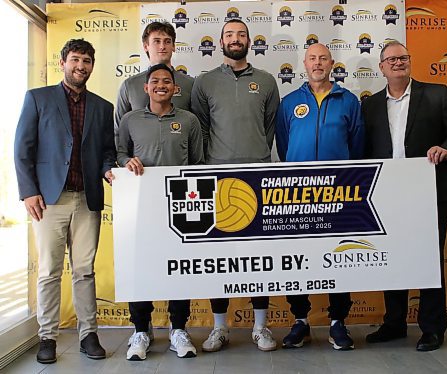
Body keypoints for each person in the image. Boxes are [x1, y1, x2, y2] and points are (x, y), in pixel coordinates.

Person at [362, 41, 447, 351]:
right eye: (391, 59)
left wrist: (446, 148)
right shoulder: (368, 105)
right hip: (385, 196)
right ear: (381, 67)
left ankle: (433, 329)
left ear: (409, 62)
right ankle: (394, 323)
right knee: (391, 259)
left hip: (428, 193)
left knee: (428, 261)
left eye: (403, 58)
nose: (398, 63)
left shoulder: (436, 94)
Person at [14, 39, 116, 364]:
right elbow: (22, 149)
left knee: (84, 270)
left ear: (92, 66)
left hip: (87, 199)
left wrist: (110, 171)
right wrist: (29, 190)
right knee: (48, 271)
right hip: (48, 200)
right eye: (75, 60)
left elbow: (107, 153)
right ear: (63, 63)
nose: (81, 66)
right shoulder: (37, 99)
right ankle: (47, 337)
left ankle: (89, 334)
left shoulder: (103, 107)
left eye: (87, 61)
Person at [191, 19, 280, 352]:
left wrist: (255, 157)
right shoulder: (205, 82)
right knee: (219, 257)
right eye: (230, 35)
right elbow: (200, 129)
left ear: (250, 41)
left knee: (258, 257)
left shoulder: (267, 81)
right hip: (218, 181)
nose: (236, 39)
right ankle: (219, 327)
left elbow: (269, 128)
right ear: (221, 41)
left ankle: (260, 327)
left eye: (241, 34)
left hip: (257, 179)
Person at [275, 43, 364, 351]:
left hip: (338, 192)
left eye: (323, 58)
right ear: (304, 63)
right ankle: (300, 320)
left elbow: (357, 146)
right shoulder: (289, 102)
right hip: (296, 193)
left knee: (339, 256)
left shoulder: (349, 101)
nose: (317, 63)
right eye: (312, 58)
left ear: (331, 63)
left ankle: (338, 321)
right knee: (298, 259)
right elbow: (284, 146)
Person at [115, 21, 195, 356]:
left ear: (175, 87)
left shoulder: (189, 111)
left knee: (179, 262)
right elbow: (118, 150)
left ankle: (178, 328)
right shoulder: (131, 114)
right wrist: (122, 165)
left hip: (180, 201)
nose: (161, 85)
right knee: (140, 263)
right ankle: (141, 330)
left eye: (167, 40)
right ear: (145, 87)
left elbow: (198, 157)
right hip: (140, 202)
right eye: (155, 40)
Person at [115, 21, 194, 138]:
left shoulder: (190, 84)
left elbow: (197, 129)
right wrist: (124, 157)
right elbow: (119, 131)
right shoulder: (130, 85)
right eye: (157, 41)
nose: (162, 46)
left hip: (177, 155)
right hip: (138, 155)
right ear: (146, 46)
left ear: (173, 46)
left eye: (167, 41)